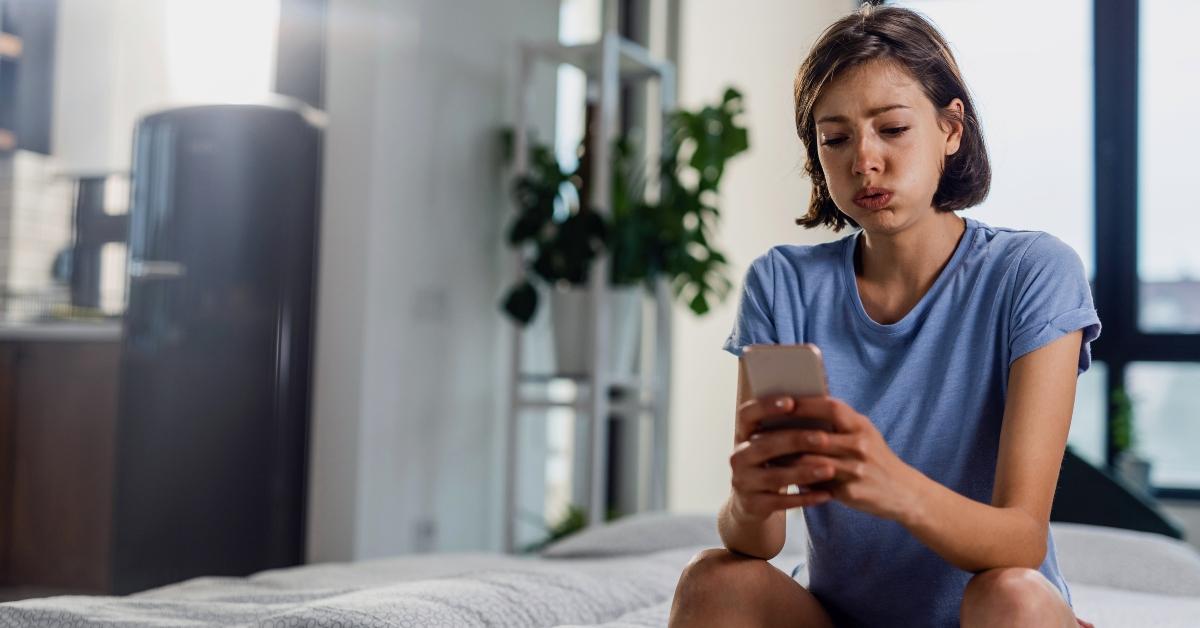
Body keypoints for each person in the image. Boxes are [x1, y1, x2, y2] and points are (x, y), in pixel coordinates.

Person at [667, 3, 1101, 627]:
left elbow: (1021, 540)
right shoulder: (782, 283)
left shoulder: (1033, 271)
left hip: (984, 614)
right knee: (713, 581)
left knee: (1012, 597)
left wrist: (893, 486)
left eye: (892, 129)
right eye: (835, 138)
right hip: (837, 616)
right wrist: (747, 500)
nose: (863, 160)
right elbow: (757, 542)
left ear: (951, 129)